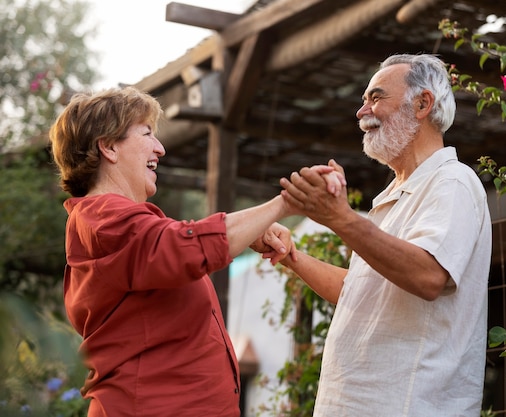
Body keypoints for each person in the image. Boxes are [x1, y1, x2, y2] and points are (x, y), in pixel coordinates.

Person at [47, 86, 343, 417]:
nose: (159, 148)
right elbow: (182, 246)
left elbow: (177, 244)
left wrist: (249, 230)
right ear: (109, 147)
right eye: (146, 133)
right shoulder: (102, 216)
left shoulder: (125, 227)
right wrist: (286, 202)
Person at [277, 53, 492, 416]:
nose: (362, 112)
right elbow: (358, 291)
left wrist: (341, 218)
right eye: (364, 101)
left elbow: (428, 276)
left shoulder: (452, 182)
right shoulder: (394, 195)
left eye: (375, 98)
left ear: (423, 103)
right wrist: (291, 256)